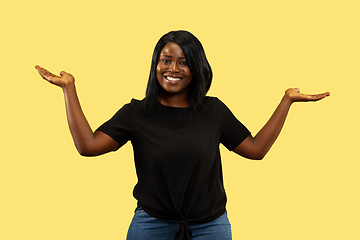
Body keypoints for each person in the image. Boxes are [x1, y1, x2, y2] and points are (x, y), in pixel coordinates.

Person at [35, 30, 330, 240]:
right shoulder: (137, 113)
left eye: (183, 61)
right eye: (166, 60)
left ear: (196, 67)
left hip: (210, 226)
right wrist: (69, 89)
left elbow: (256, 149)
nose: (173, 68)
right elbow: (88, 146)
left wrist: (286, 101)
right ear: (155, 66)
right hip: (151, 224)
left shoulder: (213, 110)